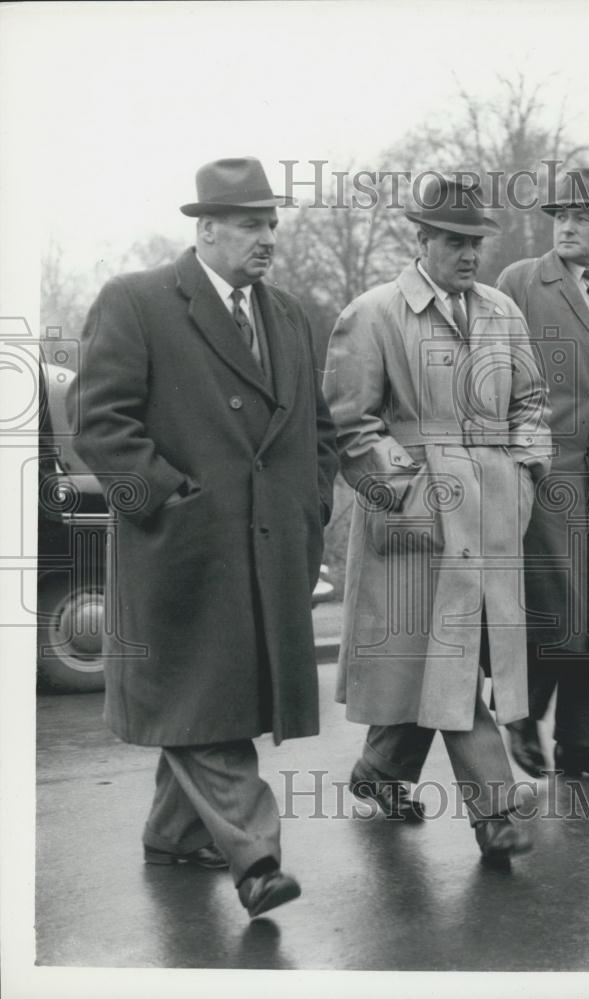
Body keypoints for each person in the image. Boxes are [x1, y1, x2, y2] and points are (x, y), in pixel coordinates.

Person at [71, 157, 338, 917]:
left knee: (205, 698)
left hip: (268, 547)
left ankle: (173, 834)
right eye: (251, 225)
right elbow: (98, 426)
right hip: (180, 551)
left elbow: (317, 429)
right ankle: (254, 859)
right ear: (206, 228)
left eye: (271, 225)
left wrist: (310, 503)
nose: (267, 239)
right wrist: (165, 503)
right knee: (201, 695)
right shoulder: (136, 301)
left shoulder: (286, 314)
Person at [323, 175, 551, 861]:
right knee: (448, 665)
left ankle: (380, 772)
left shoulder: (502, 313)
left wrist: (524, 474)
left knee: (430, 664)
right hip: (417, 523)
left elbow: (533, 402)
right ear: (419, 239)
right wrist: (414, 495)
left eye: (475, 241)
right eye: (453, 240)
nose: (467, 253)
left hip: (493, 514)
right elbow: (348, 424)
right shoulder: (373, 313)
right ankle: (497, 814)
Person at [496, 168, 589, 784]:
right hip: (545, 476)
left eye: (583, 216)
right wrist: (518, 458)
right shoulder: (520, 282)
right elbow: (492, 376)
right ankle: (520, 719)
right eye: (560, 214)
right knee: (552, 610)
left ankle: (583, 749)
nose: (567, 224)